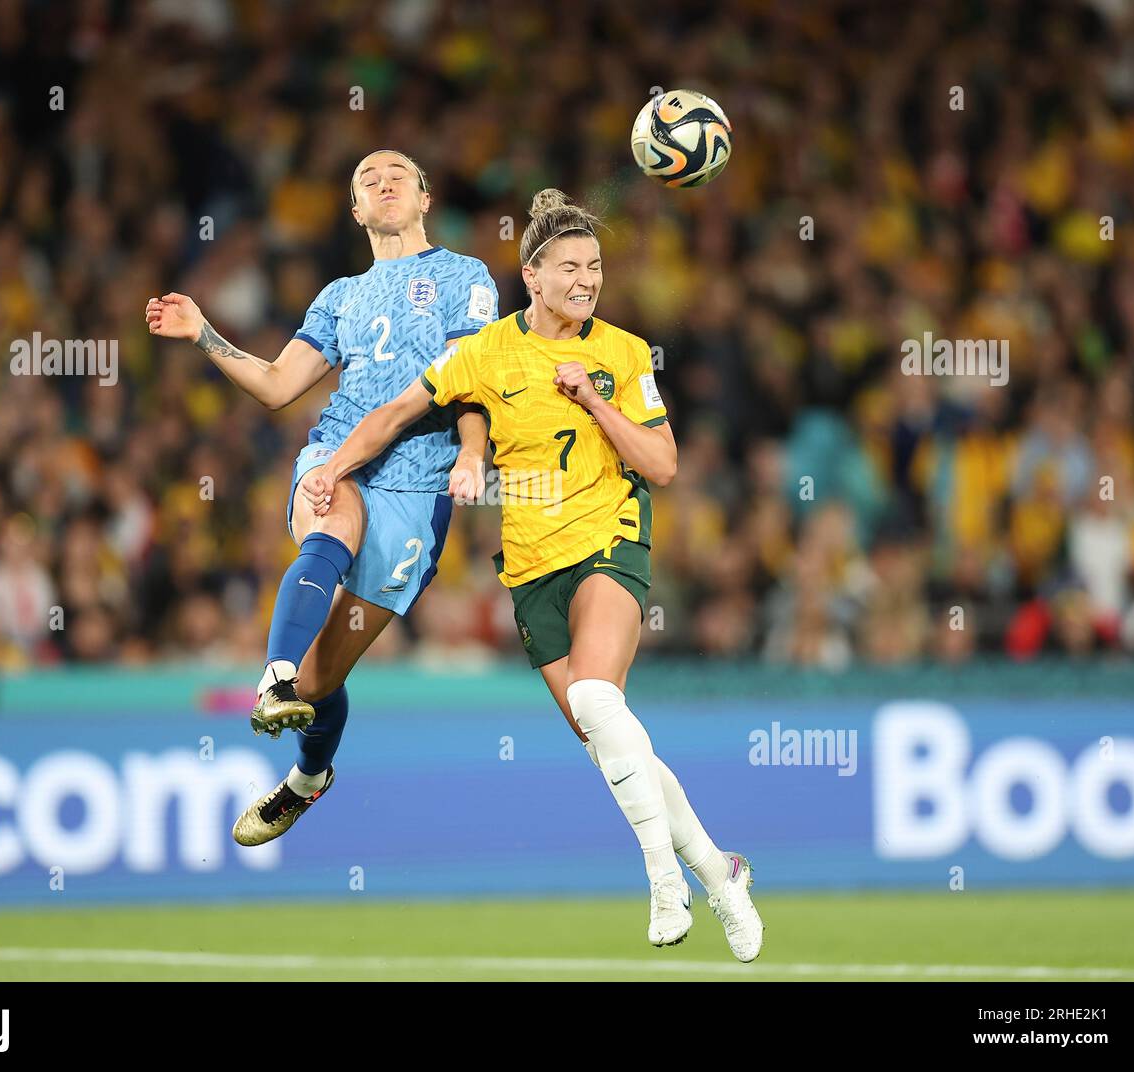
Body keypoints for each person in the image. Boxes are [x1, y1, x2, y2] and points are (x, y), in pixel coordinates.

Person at [309, 189, 763, 960]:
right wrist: (334, 468)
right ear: (532, 275)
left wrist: (593, 400)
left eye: (595, 267)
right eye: (571, 268)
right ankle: (721, 871)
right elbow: (395, 412)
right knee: (615, 747)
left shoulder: (621, 352)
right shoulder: (485, 352)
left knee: (596, 695)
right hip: (530, 568)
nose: (586, 281)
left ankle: (664, 881)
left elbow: (663, 463)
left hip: (610, 540)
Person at [145, 150, 497, 847]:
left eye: (399, 173)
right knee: (332, 512)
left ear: (425, 198)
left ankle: (308, 776)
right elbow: (279, 385)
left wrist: (473, 452)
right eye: (368, 179)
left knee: (320, 682)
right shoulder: (339, 296)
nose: (385, 181)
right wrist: (206, 335)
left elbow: (472, 384)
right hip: (337, 457)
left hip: (418, 485)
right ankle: (272, 676)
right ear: (357, 211)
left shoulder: (467, 278)